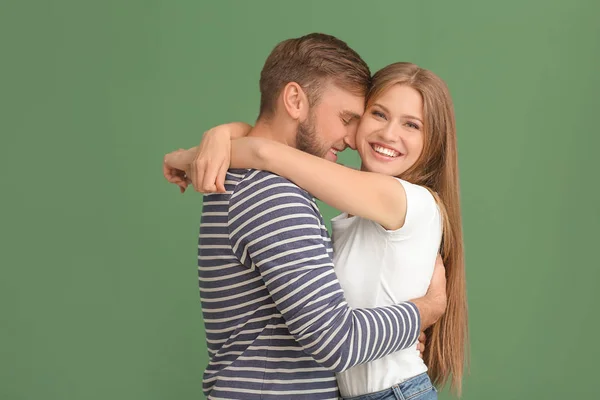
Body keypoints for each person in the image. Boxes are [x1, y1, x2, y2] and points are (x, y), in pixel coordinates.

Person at [163, 34, 448, 400]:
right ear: (295, 100)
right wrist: (422, 312)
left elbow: (265, 151)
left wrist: (204, 147)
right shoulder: (274, 195)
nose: (351, 137)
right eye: (350, 118)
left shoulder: (245, 178)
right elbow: (336, 339)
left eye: (412, 125)